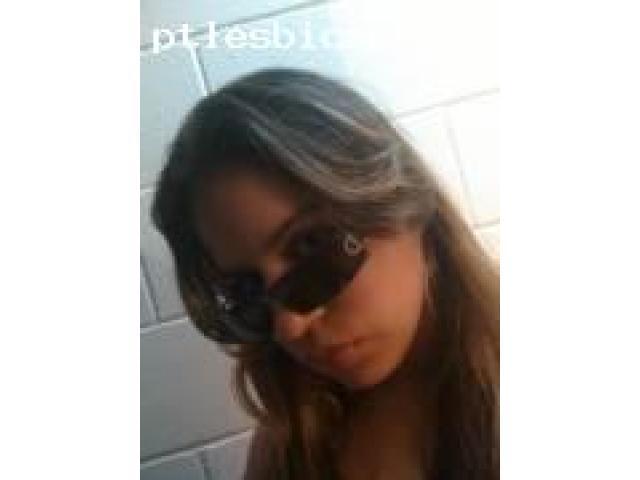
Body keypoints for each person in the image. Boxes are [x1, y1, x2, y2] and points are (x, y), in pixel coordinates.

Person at [151, 68, 499, 480]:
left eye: (311, 246)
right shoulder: (294, 435)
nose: (289, 327)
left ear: (402, 196)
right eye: (247, 291)